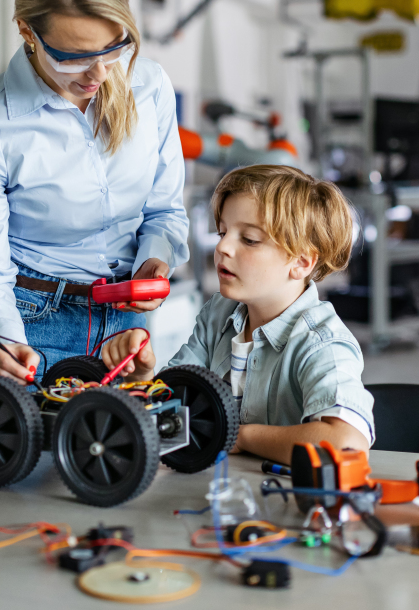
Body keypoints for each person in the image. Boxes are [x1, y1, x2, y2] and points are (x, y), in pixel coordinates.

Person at [0, 0, 189, 388]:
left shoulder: (151, 86)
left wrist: (154, 258)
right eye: (73, 57)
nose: (98, 74)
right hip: (26, 326)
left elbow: (165, 211)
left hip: (122, 332)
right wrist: (0, 341)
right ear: (27, 31)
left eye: (113, 48)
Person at [102, 165, 374, 464]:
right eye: (222, 232)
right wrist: (142, 374)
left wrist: (235, 435)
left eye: (249, 239)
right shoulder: (218, 314)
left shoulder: (322, 343)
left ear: (301, 262)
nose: (222, 246)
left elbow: (347, 443)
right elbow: (173, 413)